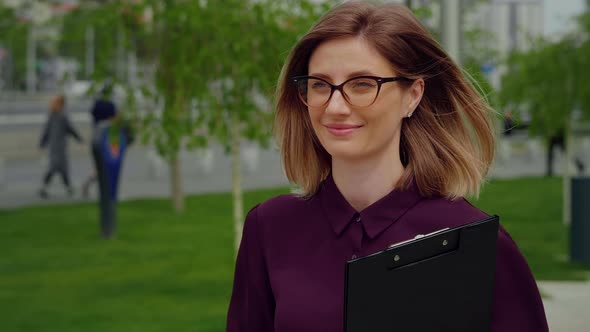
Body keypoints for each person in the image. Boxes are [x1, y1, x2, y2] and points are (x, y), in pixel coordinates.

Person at [226, 2, 548, 332]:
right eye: (320, 84)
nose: (335, 106)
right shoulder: (269, 227)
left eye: (362, 84)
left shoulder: (472, 241)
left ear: (413, 95)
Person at [39, 94, 83, 198]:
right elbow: (47, 130)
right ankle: (45, 188)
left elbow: (70, 129)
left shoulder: (62, 116)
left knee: (62, 168)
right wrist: (42, 142)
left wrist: (78, 138)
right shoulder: (53, 115)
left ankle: (66, 188)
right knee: (54, 167)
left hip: (61, 147)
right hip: (54, 147)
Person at [82, 84, 117, 197]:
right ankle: (104, 191)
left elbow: (92, 116)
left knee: (99, 165)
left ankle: (91, 184)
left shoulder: (97, 104)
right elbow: (114, 119)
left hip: (96, 137)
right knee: (107, 166)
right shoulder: (110, 105)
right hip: (108, 138)